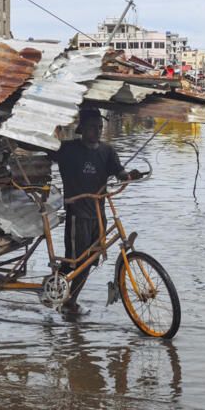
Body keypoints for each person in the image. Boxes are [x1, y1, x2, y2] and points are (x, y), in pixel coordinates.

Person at [52, 107, 140, 317]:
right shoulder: (68, 149)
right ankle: (55, 287)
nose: (98, 131)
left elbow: (119, 172)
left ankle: (70, 301)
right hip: (77, 213)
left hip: (98, 214)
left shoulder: (107, 151)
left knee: (90, 260)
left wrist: (129, 176)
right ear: (82, 128)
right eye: (93, 127)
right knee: (75, 260)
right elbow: (45, 149)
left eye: (100, 127)